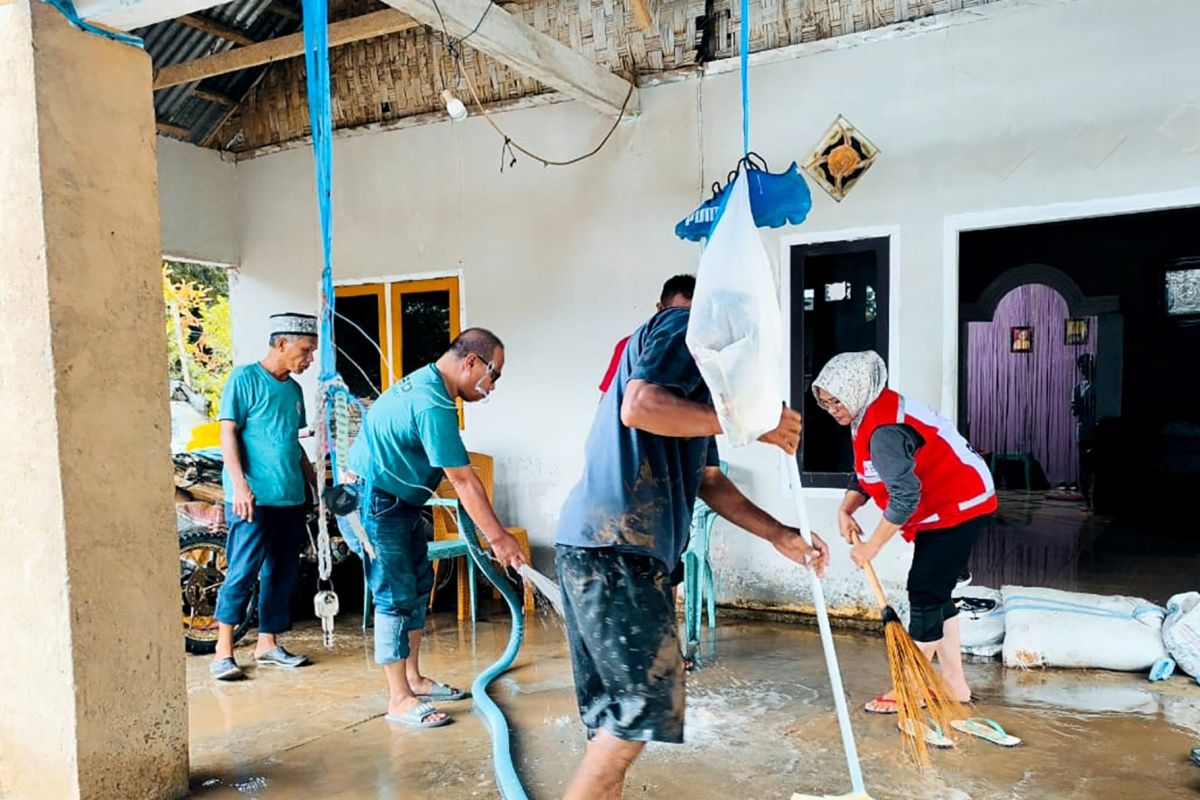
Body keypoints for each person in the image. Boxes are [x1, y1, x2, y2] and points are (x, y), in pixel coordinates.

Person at [556, 304, 829, 800]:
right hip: (617, 547)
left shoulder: (701, 388)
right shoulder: (682, 326)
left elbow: (709, 481)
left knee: (615, 716)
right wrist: (749, 424)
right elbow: (637, 406)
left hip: (603, 547)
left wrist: (779, 534)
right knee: (646, 702)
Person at [340, 328, 526, 728]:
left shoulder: (432, 387)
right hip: (371, 500)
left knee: (418, 585)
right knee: (394, 594)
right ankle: (398, 699)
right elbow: (462, 480)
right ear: (471, 362)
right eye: (494, 375)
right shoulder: (431, 401)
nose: (492, 386)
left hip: (398, 502)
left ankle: (413, 679)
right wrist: (499, 539)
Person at [811, 351, 996, 713]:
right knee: (938, 593)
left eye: (837, 400)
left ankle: (910, 687)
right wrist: (846, 507)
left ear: (857, 389)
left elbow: (905, 496)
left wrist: (872, 548)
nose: (832, 409)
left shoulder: (884, 430)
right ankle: (955, 684)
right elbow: (867, 472)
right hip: (945, 506)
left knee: (925, 592)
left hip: (958, 505)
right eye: (826, 402)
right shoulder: (868, 412)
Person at [211, 313, 320, 681]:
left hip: (290, 497)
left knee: (282, 573)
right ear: (281, 344)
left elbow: (293, 443)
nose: (309, 359)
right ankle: (223, 650)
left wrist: (314, 484)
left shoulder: (294, 390)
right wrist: (240, 485)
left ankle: (267, 644)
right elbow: (228, 435)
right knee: (242, 571)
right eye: (305, 351)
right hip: (253, 499)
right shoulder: (244, 379)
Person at [598, 274, 695, 395]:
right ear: (660, 309)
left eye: (692, 316)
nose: (685, 323)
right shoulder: (629, 345)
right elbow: (607, 399)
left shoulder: (701, 350)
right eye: (677, 316)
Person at [1071, 353, 1097, 510]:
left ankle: (1095, 499)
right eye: (1081, 366)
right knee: (1084, 466)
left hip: (1096, 430)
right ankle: (1087, 500)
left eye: (1086, 364)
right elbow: (1074, 410)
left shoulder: (1101, 386)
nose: (1084, 368)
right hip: (1084, 431)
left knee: (1095, 465)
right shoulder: (1078, 387)